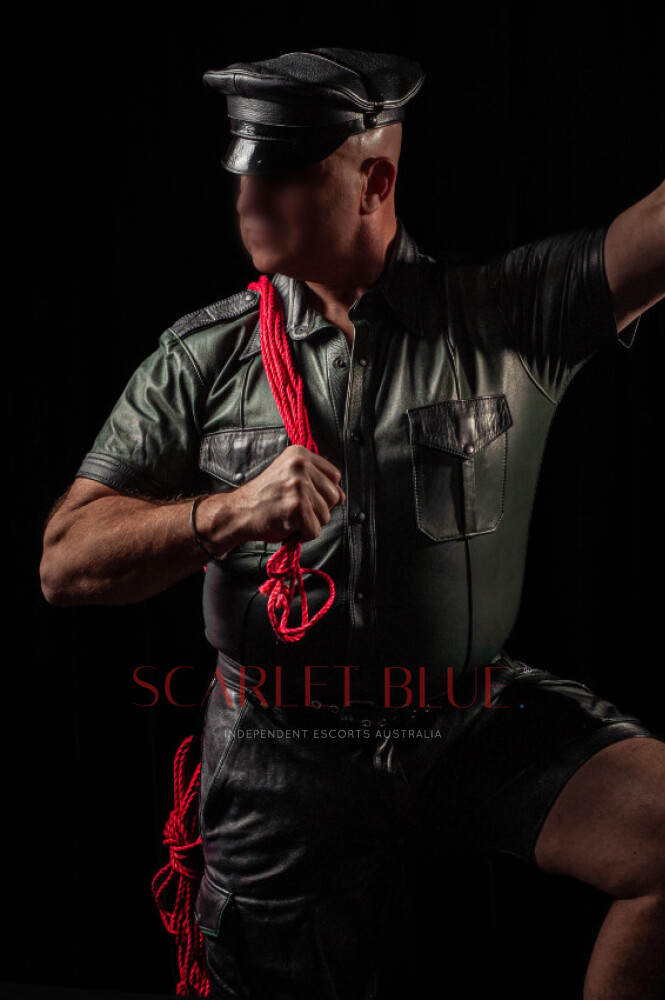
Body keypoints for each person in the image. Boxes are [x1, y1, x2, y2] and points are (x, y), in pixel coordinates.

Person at [40, 47, 665, 1000]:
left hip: (465, 714)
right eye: (246, 174)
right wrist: (228, 511)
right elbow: (65, 563)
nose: (250, 200)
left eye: (284, 176)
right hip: (281, 742)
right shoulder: (201, 356)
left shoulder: (505, 315)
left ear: (373, 181)